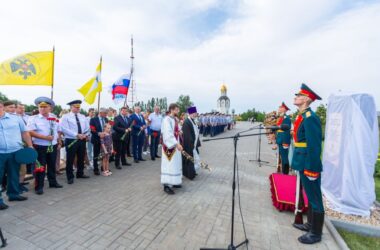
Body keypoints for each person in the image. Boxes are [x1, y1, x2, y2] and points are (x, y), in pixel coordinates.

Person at [291, 83, 324, 244]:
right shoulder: (302, 116)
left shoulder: (311, 118)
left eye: (298, 96)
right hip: (302, 159)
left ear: (306, 99)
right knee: (310, 196)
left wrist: (312, 168)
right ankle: (310, 224)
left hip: (308, 163)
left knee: (315, 198)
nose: (295, 97)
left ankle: (316, 233)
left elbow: (315, 145)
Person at [0, 101, 33, 210]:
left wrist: (30, 146)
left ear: (2, 107)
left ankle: (13, 194)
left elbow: (25, 132)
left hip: (15, 151)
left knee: (14, 174)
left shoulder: (16, 118)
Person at [27, 97, 63, 194]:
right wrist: (45, 137)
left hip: (53, 145)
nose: (42, 109)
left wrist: (59, 141)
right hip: (40, 146)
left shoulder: (54, 117)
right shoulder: (33, 118)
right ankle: (39, 186)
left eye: (45, 107)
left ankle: (53, 182)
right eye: (40, 107)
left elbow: (58, 130)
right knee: (40, 167)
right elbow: (30, 132)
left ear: (50, 108)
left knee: (52, 165)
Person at [59, 100, 90, 184]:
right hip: (71, 140)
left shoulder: (82, 116)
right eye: (76, 107)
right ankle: (70, 176)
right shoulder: (65, 117)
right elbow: (64, 128)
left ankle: (80, 173)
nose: (78, 109)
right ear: (71, 107)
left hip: (82, 139)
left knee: (81, 157)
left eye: (79, 107)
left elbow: (87, 127)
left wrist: (85, 134)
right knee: (70, 158)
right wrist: (76, 134)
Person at [161, 103, 183, 195]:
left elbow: (175, 129)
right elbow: (168, 133)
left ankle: (174, 181)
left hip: (175, 143)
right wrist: (176, 144)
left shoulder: (174, 119)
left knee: (175, 163)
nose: (178, 111)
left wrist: (179, 131)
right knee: (169, 164)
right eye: (177, 109)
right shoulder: (166, 119)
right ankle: (167, 185)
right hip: (169, 145)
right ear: (172, 110)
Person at [182, 106, 201, 180]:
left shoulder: (193, 120)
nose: (194, 114)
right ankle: (189, 174)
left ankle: (191, 172)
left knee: (194, 160)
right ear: (189, 113)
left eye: (195, 113)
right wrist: (192, 145)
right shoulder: (186, 122)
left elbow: (196, 132)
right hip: (189, 145)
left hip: (194, 145)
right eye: (193, 113)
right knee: (191, 160)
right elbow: (187, 135)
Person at [90, 108, 109, 175]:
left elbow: (108, 128)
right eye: (105, 113)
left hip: (105, 140)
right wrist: (99, 133)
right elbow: (92, 129)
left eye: (106, 113)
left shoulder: (106, 119)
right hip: (96, 140)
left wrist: (106, 133)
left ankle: (103, 167)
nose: (106, 115)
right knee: (96, 155)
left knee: (104, 154)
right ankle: (96, 169)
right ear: (100, 113)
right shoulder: (93, 119)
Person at [276, 102, 292, 175]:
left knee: (285, 158)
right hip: (280, 139)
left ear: (284, 109)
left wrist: (285, 142)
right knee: (282, 157)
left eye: (280, 107)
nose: (279, 108)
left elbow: (286, 131)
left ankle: (285, 173)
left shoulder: (286, 118)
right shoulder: (281, 118)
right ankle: (283, 171)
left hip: (283, 141)